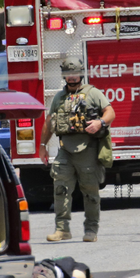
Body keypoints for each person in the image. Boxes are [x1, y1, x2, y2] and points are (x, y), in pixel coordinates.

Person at [38, 57, 115, 243]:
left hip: (88, 150)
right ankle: (62, 229)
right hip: (65, 150)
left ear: (81, 74)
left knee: (90, 192)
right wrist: (42, 146)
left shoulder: (93, 93)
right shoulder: (59, 97)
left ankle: (91, 230)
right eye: (68, 74)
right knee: (60, 189)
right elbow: (49, 122)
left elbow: (110, 112)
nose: (72, 77)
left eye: (75, 74)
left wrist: (100, 122)